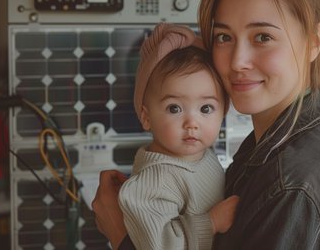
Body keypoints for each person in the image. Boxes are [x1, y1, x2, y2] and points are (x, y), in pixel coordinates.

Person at [93, 0, 320, 249]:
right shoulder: (274, 148)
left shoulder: (291, 188)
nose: (237, 61)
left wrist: (122, 237)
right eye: (224, 37)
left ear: (314, 42)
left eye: (262, 37)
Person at [97, 23, 239, 250]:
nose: (192, 123)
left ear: (223, 111)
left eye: (206, 109)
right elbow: (159, 245)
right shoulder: (155, 181)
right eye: (174, 108)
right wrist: (211, 222)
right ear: (146, 117)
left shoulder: (200, 155)